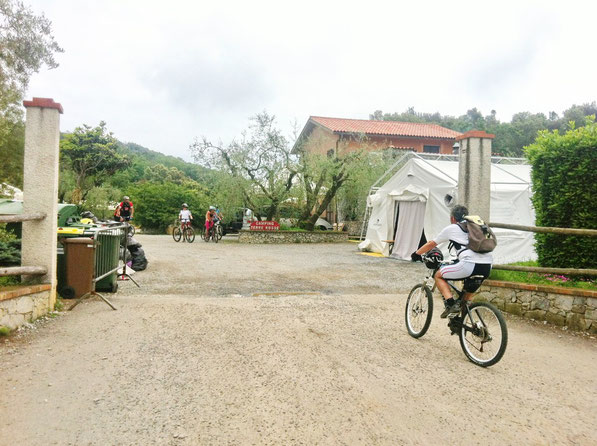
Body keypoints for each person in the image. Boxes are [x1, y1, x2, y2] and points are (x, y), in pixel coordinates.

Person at [413, 204, 493, 318]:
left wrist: (416, 254)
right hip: (487, 266)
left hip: (469, 264)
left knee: (438, 275)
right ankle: (465, 325)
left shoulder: (452, 228)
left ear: (452, 218)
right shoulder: (477, 228)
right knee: (465, 300)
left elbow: (432, 244)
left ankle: (451, 304)